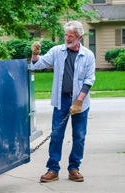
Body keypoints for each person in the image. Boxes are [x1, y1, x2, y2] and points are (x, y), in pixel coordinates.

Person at [30, 20, 95, 183]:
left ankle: (74, 168)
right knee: (56, 135)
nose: (67, 38)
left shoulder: (88, 55)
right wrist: (35, 54)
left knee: (79, 136)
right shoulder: (57, 51)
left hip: (80, 102)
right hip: (61, 101)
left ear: (79, 37)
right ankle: (53, 169)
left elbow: (89, 80)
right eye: (66, 35)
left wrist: (79, 101)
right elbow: (38, 65)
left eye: (71, 36)